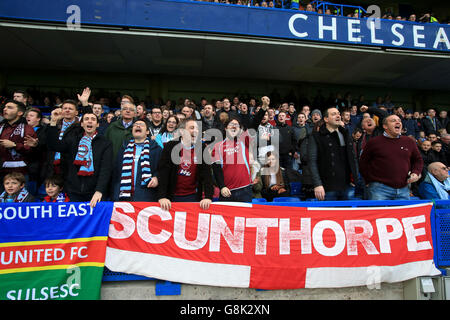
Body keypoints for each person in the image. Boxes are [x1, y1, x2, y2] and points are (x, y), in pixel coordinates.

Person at [47, 111, 113, 207]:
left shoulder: (105, 143)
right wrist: (53, 122)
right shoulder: (73, 140)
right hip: (73, 191)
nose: (89, 121)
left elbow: (106, 169)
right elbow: (54, 146)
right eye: (86, 119)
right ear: (82, 124)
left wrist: (99, 191)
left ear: (98, 124)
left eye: (93, 119)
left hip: (95, 192)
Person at [359, 114, 423, 200]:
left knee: (402, 214)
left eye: (399, 121)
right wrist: (368, 180)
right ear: (385, 126)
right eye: (393, 121)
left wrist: (415, 172)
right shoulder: (374, 142)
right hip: (379, 189)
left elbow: (418, 160)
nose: (398, 122)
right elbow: (363, 163)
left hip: (404, 189)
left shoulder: (409, 141)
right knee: (380, 214)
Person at [157, 118, 213, 211]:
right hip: (171, 197)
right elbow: (163, 172)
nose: (195, 131)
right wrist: (162, 196)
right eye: (192, 128)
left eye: (197, 129)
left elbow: (207, 175)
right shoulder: (170, 146)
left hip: (192, 196)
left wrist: (208, 197)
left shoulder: (202, 148)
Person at [307, 107, 358, 200]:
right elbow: (312, 161)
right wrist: (317, 184)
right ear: (326, 119)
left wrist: (355, 178)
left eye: (338, 113)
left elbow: (352, 158)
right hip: (327, 187)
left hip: (346, 185)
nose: (338, 115)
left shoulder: (345, 134)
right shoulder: (316, 137)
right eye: (334, 114)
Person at [112, 119, 162, 201]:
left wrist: (157, 178)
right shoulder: (123, 148)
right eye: (135, 125)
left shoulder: (156, 149)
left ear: (147, 132)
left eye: (141, 125)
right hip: (123, 197)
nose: (138, 126)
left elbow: (162, 169)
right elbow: (116, 172)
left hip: (146, 197)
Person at [212, 117, 253, 203]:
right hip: (227, 191)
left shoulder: (243, 141)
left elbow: (254, 124)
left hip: (245, 190)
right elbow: (216, 169)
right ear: (225, 128)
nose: (234, 126)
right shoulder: (218, 146)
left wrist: (263, 108)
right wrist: (222, 186)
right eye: (231, 124)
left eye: (237, 125)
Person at [0, 100, 37, 184]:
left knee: (19, 197)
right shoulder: (1, 127)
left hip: (20, 173)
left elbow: (30, 150)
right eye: (5, 107)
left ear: (19, 112)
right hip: (1, 172)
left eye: (9, 107)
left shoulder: (27, 129)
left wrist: (14, 145)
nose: (5, 109)